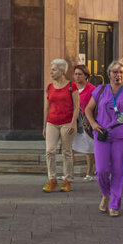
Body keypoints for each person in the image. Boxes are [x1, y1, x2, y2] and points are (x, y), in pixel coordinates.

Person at [83, 59, 123, 217]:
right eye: (115, 72)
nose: (118, 75)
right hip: (102, 134)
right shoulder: (100, 90)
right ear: (109, 74)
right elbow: (88, 109)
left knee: (118, 170)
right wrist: (93, 124)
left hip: (121, 136)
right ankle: (106, 193)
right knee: (101, 170)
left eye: (121, 72)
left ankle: (115, 203)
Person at [42, 58, 78, 192]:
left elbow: (76, 107)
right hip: (52, 122)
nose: (51, 72)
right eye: (51, 69)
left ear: (62, 71)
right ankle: (52, 180)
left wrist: (73, 123)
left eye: (53, 69)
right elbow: (47, 108)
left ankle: (67, 180)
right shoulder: (49, 87)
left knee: (66, 152)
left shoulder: (71, 86)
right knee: (49, 151)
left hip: (67, 123)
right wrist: (44, 126)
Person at [70, 65, 96, 181]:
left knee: (88, 147)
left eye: (80, 74)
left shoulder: (92, 89)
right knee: (69, 147)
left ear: (86, 76)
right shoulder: (71, 88)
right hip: (72, 120)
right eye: (75, 74)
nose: (77, 77)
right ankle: (69, 173)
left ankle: (89, 172)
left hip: (86, 122)